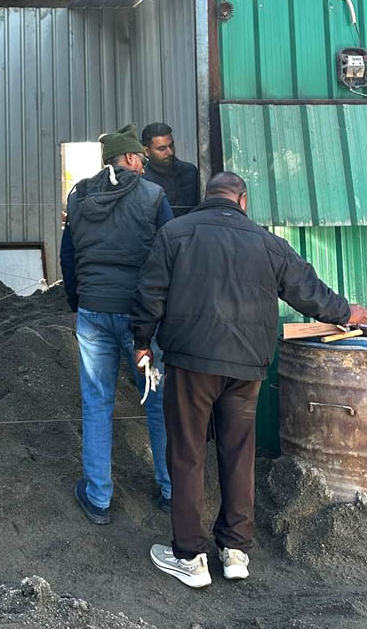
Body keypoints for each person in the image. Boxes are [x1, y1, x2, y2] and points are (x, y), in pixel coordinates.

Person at [131, 171, 367, 588]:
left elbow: (151, 293)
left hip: (191, 363)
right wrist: (346, 313)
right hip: (247, 367)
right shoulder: (268, 243)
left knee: (186, 454)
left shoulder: (176, 233)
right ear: (242, 201)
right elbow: (307, 290)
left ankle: (189, 556)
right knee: (239, 453)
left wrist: (141, 341)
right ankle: (236, 551)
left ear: (208, 197)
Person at [60, 123, 174, 526]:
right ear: (127, 157)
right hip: (141, 317)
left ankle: (98, 498)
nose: (144, 164)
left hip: (93, 313)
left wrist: (77, 301)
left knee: (96, 402)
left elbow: (68, 257)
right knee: (158, 401)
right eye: (140, 158)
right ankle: (170, 490)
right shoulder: (153, 196)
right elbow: (170, 254)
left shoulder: (78, 198)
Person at [141, 122, 199, 216]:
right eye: (161, 148)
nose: (170, 152)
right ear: (146, 151)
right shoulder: (143, 181)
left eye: (171, 146)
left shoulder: (190, 172)